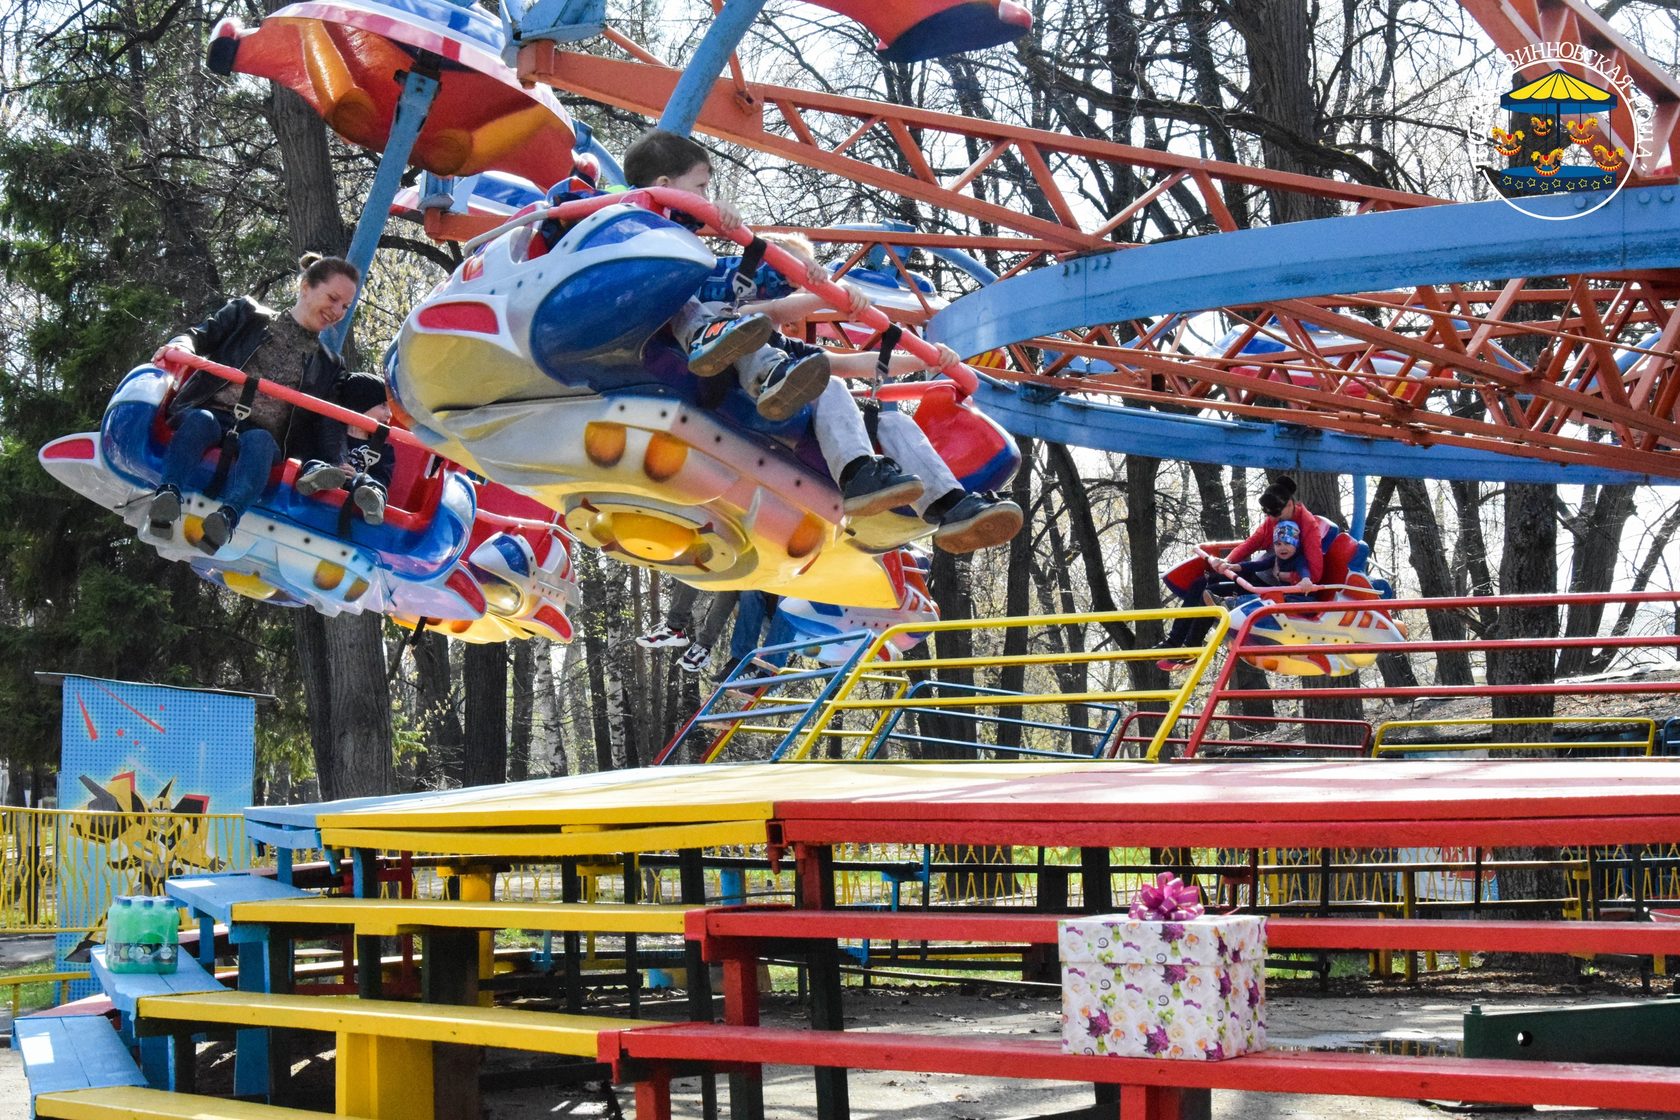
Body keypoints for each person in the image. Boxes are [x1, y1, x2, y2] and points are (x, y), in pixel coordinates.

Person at [735, 233, 1022, 549]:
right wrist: (827, 295)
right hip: (755, 399)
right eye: (792, 272)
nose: (795, 284)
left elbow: (858, 362)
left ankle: (950, 505)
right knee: (828, 382)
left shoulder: (787, 346)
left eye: (801, 278)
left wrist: (926, 358)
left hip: (800, 418)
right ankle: (858, 474)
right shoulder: (728, 314)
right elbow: (771, 310)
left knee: (893, 423)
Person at [538, 129, 830, 425]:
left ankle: (768, 374)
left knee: (716, 307)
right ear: (664, 185)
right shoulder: (614, 211)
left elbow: (718, 277)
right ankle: (707, 338)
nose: (706, 196)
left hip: (654, 320)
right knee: (669, 278)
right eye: (701, 186)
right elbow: (561, 215)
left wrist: (787, 273)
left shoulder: (677, 243)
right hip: (599, 298)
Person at [146, 253, 367, 554]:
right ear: (305, 287)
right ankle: (168, 494)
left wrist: (338, 459)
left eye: (345, 306)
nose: (337, 311)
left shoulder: (328, 364)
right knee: (200, 422)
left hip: (261, 431)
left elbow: (327, 419)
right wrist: (180, 346)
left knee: (261, 443)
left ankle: (227, 517)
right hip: (213, 409)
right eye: (333, 298)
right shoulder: (247, 315)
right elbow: (200, 336)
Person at [1157, 518, 1314, 671]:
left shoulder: (1298, 555)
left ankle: (1192, 647)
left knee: (1211, 591)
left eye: (1286, 543)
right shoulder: (1273, 542)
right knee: (1203, 585)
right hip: (1254, 580)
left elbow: (1304, 569)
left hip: (1265, 590)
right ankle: (1177, 642)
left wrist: (1304, 579)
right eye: (1278, 544)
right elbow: (1254, 561)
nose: (1282, 547)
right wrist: (1230, 564)